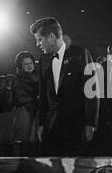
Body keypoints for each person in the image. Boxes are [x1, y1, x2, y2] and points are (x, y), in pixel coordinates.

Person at [30, 17, 99, 156]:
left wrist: (90, 123)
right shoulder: (43, 60)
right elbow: (43, 94)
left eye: (39, 39)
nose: (37, 44)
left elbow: (92, 92)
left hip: (76, 125)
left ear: (51, 37)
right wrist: (42, 123)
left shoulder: (80, 54)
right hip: (51, 127)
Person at [10, 51, 39, 156]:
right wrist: (35, 99)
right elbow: (19, 97)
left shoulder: (39, 76)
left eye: (30, 63)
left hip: (38, 110)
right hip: (25, 110)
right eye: (26, 64)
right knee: (22, 136)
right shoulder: (17, 79)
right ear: (20, 66)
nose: (29, 65)